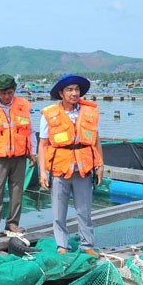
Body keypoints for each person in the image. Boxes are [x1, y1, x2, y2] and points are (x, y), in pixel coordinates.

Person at [38, 74, 104, 257]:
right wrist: (42, 172)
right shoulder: (49, 115)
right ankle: (62, 245)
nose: (74, 93)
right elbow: (43, 145)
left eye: (76, 89)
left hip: (84, 168)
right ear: (61, 93)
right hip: (59, 168)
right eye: (69, 90)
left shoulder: (89, 112)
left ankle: (87, 244)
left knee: (85, 210)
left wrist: (100, 164)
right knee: (59, 211)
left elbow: (96, 141)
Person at [0, 74, 37, 241]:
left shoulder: (23, 105)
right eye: (3, 93)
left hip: (19, 155)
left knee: (17, 191)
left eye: (9, 92)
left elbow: (30, 130)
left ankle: (12, 223)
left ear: (14, 90)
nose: (6, 96)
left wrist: (33, 151)